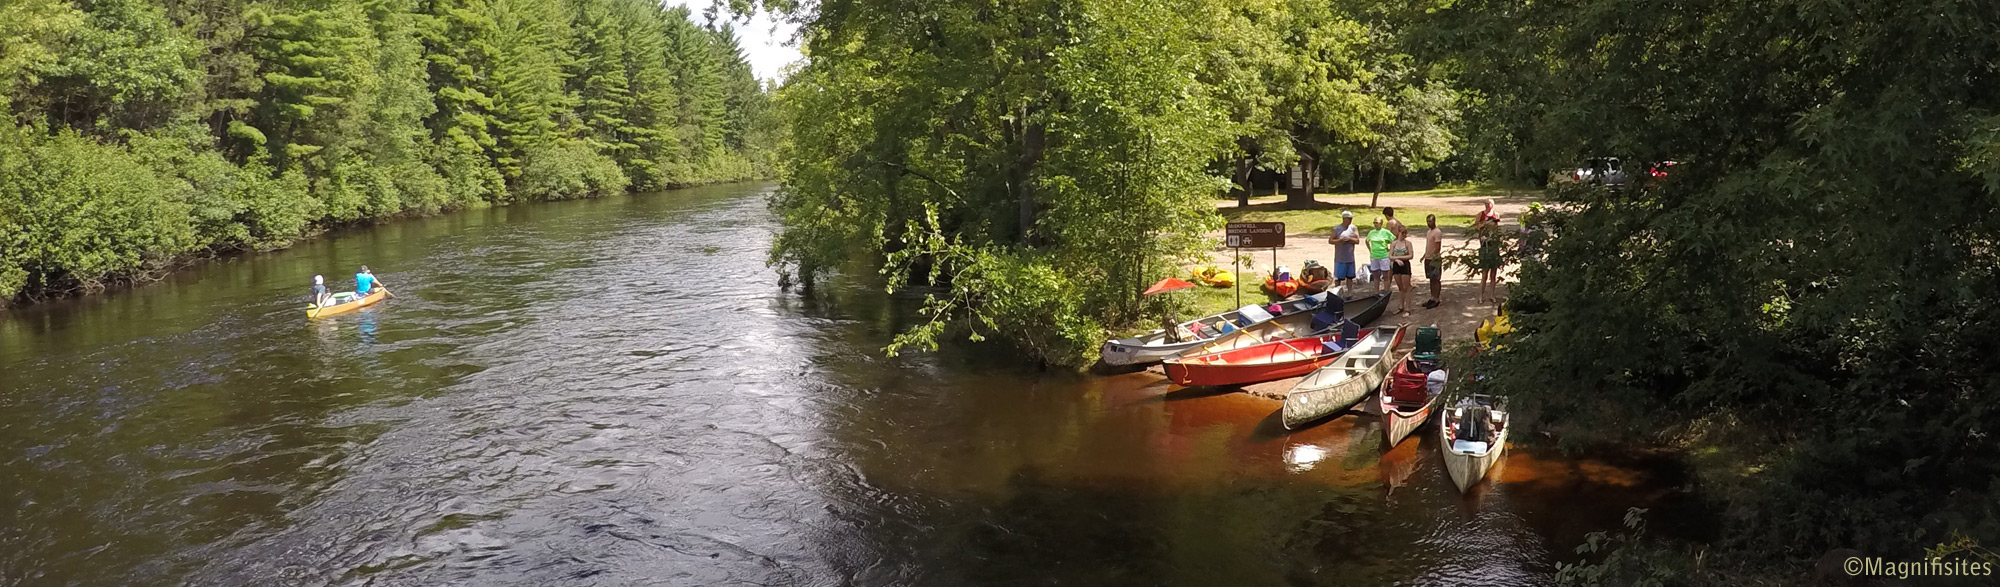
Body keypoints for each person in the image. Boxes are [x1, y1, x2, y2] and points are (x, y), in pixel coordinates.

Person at [1473, 200, 1502, 303]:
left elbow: (1497, 230)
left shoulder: (1496, 214)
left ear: (1492, 205)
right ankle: (1480, 295)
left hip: (1494, 245)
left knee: (1493, 273)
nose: (1488, 206)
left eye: (1489, 204)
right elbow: (1475, 227)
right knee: (1484, 273)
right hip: (1484, 245)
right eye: (1486, 204)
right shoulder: (1480, 215)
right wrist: (1484, 224)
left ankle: (1492, 295)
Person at [1329, 211, 1361, 289]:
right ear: (1344, 219)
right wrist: (1339, 241)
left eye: (1351, 218)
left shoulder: (1353, 228)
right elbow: (1330, 240)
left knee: (1350, 277)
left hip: (1350, 258)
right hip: (1340, 258)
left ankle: (1350, 292)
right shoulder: (1337, 229)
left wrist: (1349, 239)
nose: (1350, 220)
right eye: (1349, 219)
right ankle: (1338, 293)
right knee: (1338, 278)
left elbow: (1357, 241)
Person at [1388, 225, 1414, 315]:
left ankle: (1408, 308)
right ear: (1398, 233)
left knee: (1407, 288)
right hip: (1396, 266)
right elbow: (1390, 255)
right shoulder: (1394, 243)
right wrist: (1396, 260)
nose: (1404, 235)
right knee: (1400, 288)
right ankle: (1401, 306)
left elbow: (1411, 255)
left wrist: (1398, 257)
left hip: (1405, 265)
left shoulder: (1408, 243)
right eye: (1402, 233)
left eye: (1405, 233)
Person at [1422, 214, 1445, 309]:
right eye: (1427, 221)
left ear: (1434, 221)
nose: (1428, 223)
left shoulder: (1437, 232)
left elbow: (1437, 247)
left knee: (1436, 279)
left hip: (1434, 259)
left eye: (1430, 221)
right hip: (1428, 258)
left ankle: (1437, 299)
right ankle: (1432, 297)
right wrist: (1424, 256)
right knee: (1431, 279)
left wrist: (1432, 257)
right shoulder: (1428, 232)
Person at [1367, 218, 1394, 293]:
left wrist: (1390, 250)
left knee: (1385, 275)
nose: (1375, 224)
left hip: (1384, 256)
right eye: (1374, 223)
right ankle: (1376, 292)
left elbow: (1393, 240)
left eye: (1377, 223)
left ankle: (1386, 291)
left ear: (1381, 224)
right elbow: (1367, 241)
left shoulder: (1386, 232)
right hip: (1374, 256)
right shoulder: (1371, 232)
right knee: (1375, 275)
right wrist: (1370, 249)